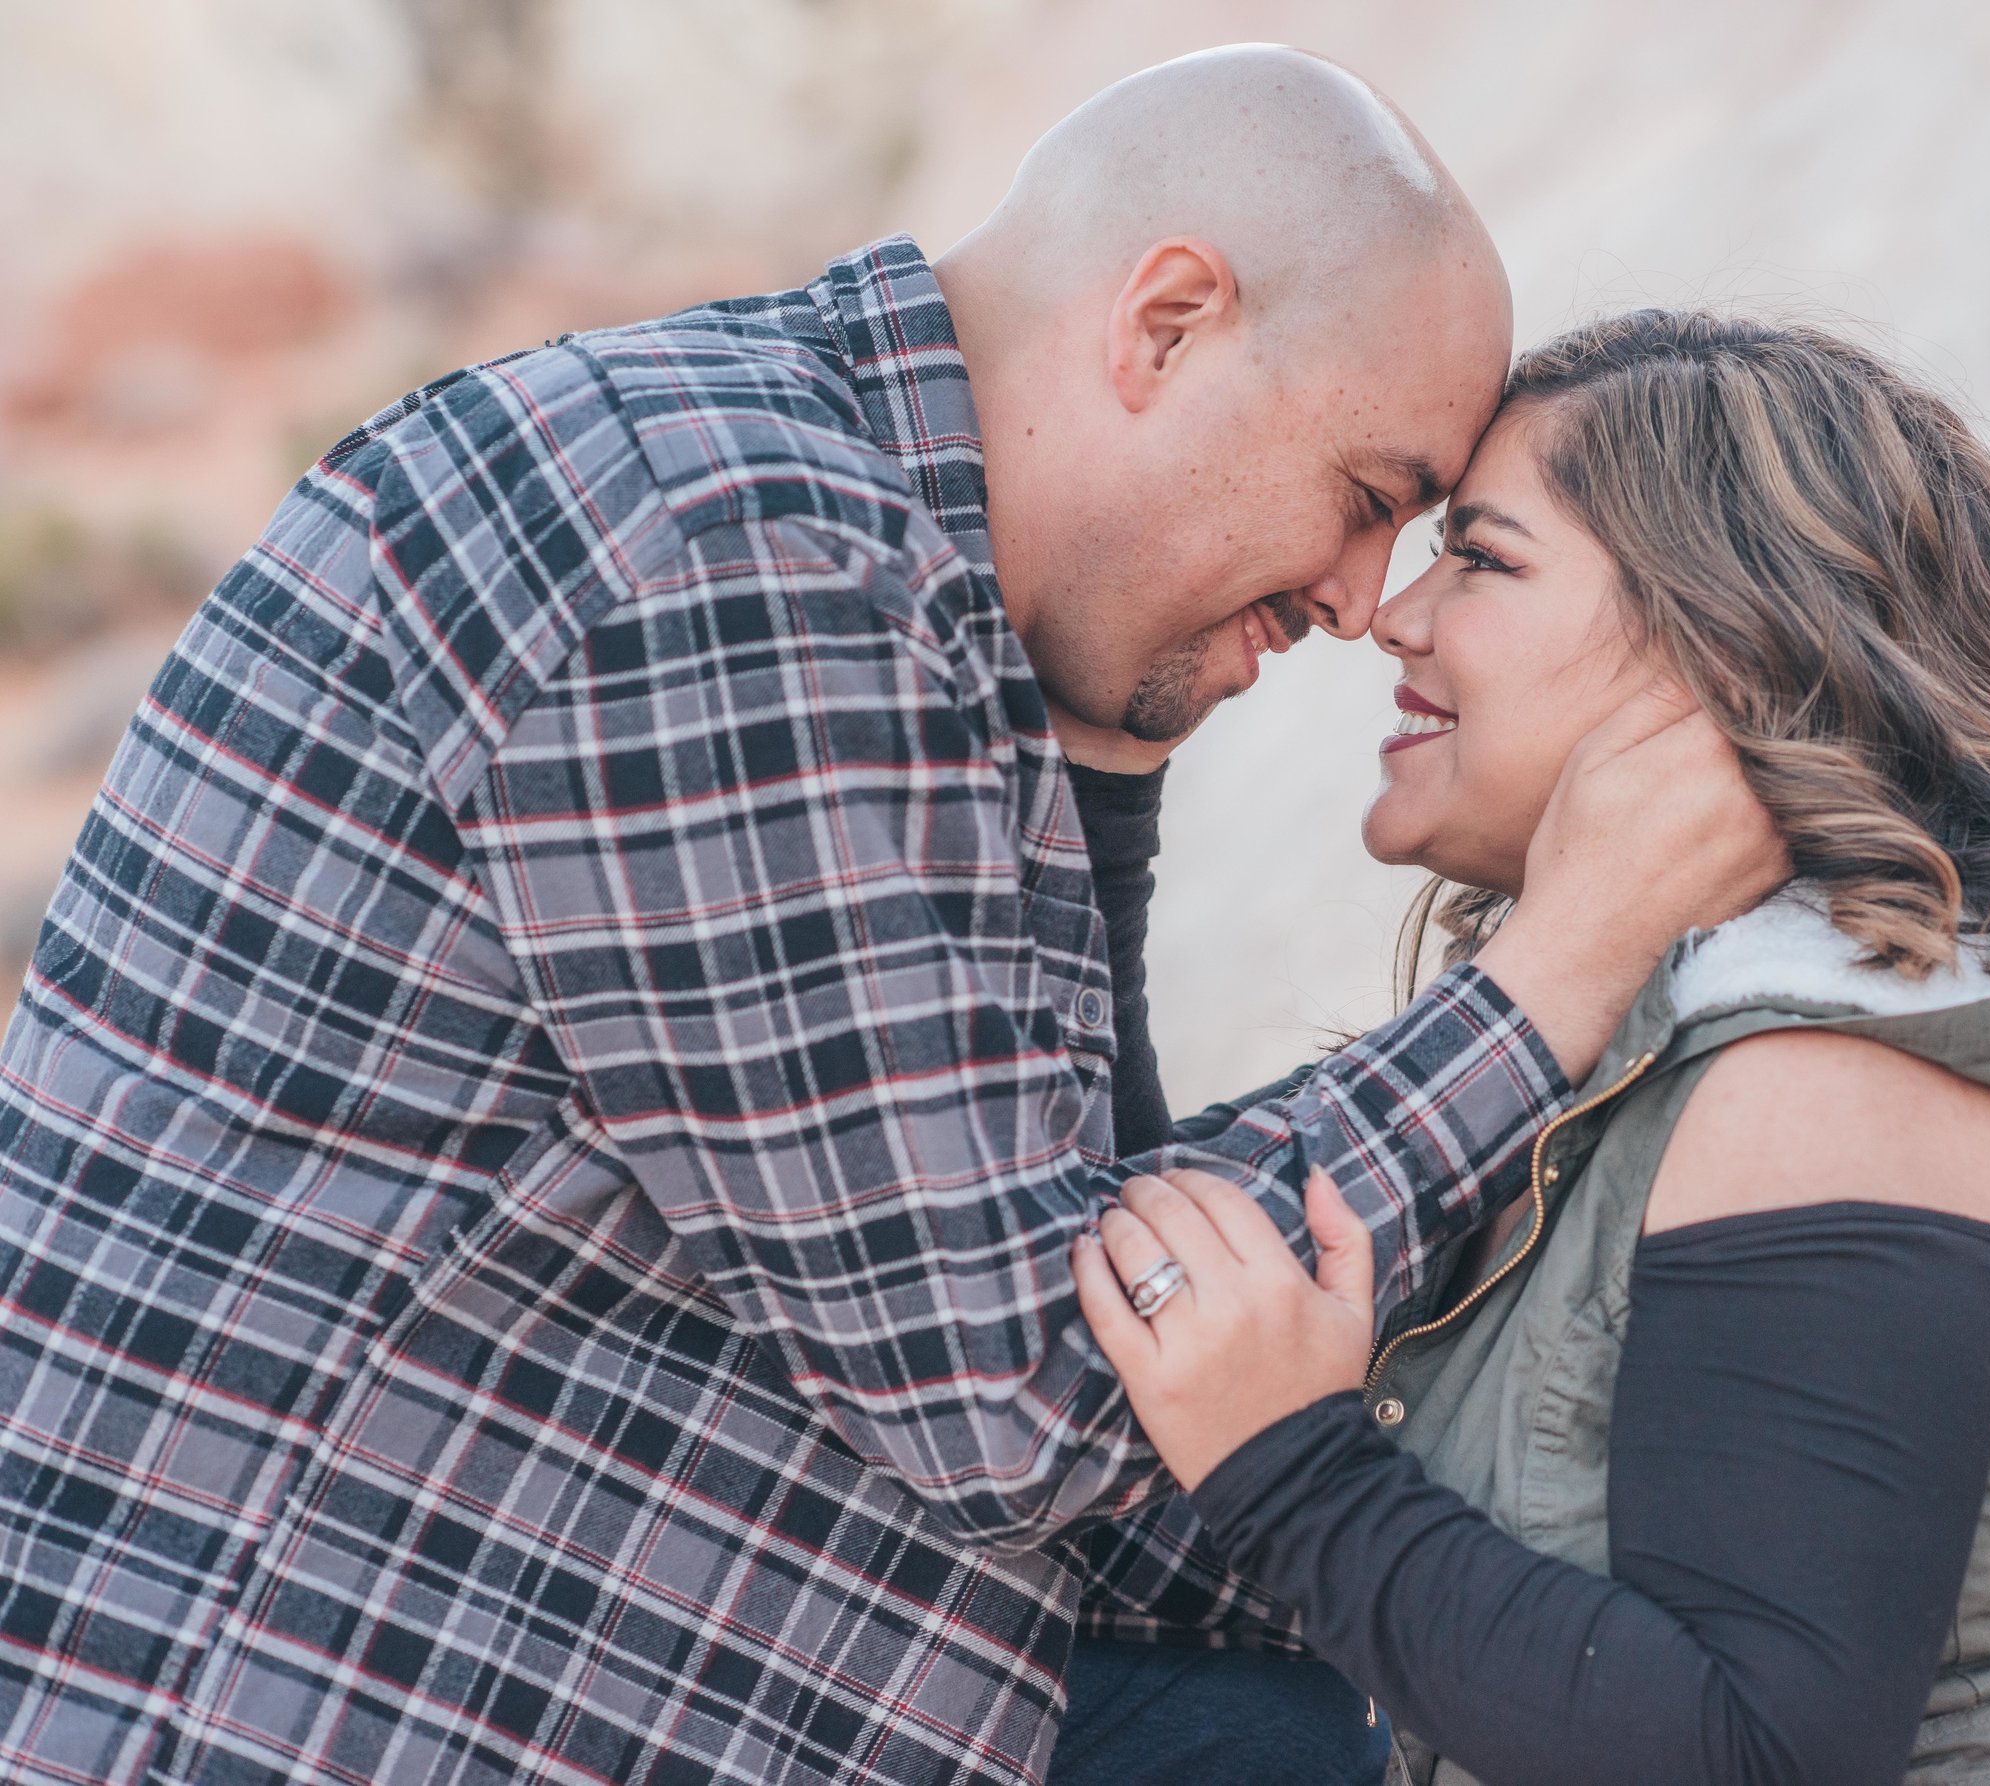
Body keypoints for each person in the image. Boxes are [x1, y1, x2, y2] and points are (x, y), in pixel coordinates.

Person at [0, 52, 1786, 1786]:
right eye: (1369, 500)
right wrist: (1568, 956)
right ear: (1166, 324)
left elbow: (1093, 1259)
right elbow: (1037, 1390)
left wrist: (1102, 774)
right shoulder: (731, 548)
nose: (1352, 602)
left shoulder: (890, 577)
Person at [1077, 311, 1990, 1784]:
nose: (1397, 614)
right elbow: (1120, 1237)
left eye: (1486, 559)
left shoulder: (1838, 1078)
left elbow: (1755, 1754)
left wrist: (1296, 1473)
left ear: (1724, 650)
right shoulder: (1628, 1034)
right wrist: (1104, 777)